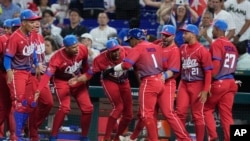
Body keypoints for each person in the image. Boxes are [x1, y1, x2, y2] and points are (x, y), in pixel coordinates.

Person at [103, 28, 165, 140]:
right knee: (149, 115)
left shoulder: (138, 47)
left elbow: (126, 65)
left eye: (130, 40)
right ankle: (132, 138)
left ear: (135, 39)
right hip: (161, 80)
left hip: (149, 82)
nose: (130, 43)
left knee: (146, 115)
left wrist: (111, 70)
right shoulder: (156, 46)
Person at [34, 35, 93, 141]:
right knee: (65, 108)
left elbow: (86, 66)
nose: (76, 49)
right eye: (73, 47)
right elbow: (47, 75)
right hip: (61, 81)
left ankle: (84, 137)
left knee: (88, 108)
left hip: (76, 79)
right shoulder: (57, 57)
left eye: (77, 46)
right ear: (65, 47)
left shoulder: (82, 48)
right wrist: (39, 89)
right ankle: (53, 136)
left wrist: (85, 79)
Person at [72, 39, 133, 141]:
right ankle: (107, 138)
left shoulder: (127, 50)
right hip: (109, 80)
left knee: (129, 115)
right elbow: (89, 74)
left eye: (117, 49)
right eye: (113, 51)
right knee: (118, 107)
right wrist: (78, 79)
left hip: (124, 80)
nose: (116, 52)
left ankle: (117, 137)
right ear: (108, 51)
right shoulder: (100, 59)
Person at [4, 9, 41, 140]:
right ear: (24, 22)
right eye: (31, 21)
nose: (34, 24)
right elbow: (7, 58)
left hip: (28, 72)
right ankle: (15, 136)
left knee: (29, 103)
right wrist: (8, 71)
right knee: (18, 104)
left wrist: (37, 63)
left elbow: (33, 51)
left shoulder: (32, 34)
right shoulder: (15, 37)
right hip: (17, 72)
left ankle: (22, 133)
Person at [176, 24, 212, 141]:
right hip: (184, 83)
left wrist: (205, 90)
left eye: (186, 33)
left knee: (197, 115)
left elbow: (208, 72)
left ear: (193, 34)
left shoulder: (202, 51)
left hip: (198, 84)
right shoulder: (182, 48)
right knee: (180, 113)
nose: (183, 35)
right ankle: (183, 138)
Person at [204, 19, 239, 141]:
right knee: (227, 115)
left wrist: (208, 81)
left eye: (213, 28)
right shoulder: (233, 46)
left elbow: (216, 65)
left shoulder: (217, 43)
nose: (212, 30)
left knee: (206, 108)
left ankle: (213, 136)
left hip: (220, 82)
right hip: (231, 83)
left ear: (218, 30)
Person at [28, 17, 54, 141]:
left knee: (48, 102)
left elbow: (42, 59)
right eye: (33, 21)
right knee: (33, 105)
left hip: (41, 76)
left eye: (38, 20)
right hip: (29, 75)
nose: (37, 23)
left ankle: (32, 126)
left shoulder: (40, 37)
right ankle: (33, 134)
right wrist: (33, 66)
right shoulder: (25, 37)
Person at [0, 18, 13, 140]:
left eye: (9, 28)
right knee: (5, 105)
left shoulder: (22, 39)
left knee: (12, 105)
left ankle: (12, 133)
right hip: (4, 74)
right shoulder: (2, 39)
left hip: (17, 75)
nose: (7, 30)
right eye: (6, 28)